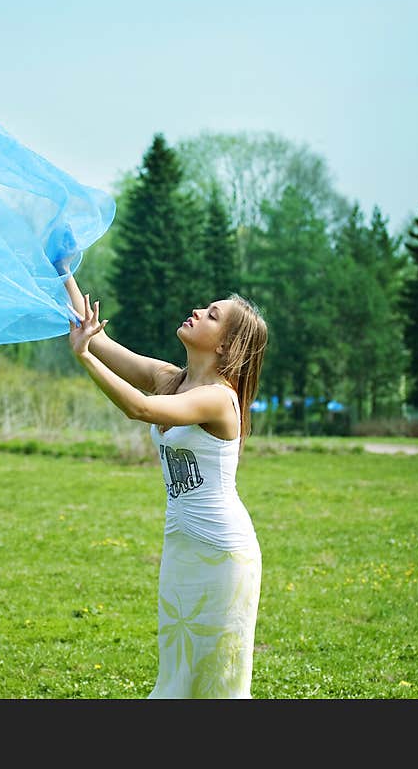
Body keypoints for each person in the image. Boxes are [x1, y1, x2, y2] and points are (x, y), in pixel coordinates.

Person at [56, 255, 269, 699]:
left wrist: (83, 360)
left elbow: (141, 409)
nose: (197, 311)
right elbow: (99, 341)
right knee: (178, 674)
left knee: (216, 684)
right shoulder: (172, 379)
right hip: (181, 547)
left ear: (227, 347)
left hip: (222, 554)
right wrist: (63, 271)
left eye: (211, 315)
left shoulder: (218, 400)